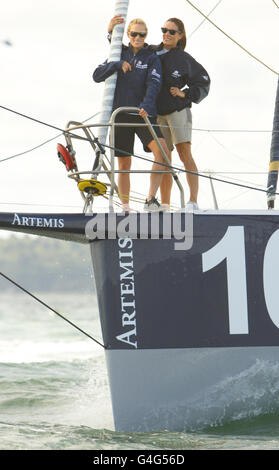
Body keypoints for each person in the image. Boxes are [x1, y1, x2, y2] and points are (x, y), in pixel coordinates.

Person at [109, 16, 210, 210]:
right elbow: (130, 48)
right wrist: (111, 33)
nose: (167, 34)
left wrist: (186, 93)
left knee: (184, 153)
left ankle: (193, 200)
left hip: (178, 110)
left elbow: (204, 80)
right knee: (166, 157)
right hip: (157, 113)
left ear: (180, 36)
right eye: (164, 30)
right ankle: (164, 204)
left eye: (172, 31)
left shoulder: (185, 59)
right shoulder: (152, 51)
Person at [93, 18, 171, 212]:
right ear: (128, 35)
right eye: (134, 34)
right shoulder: (119, 54)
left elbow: (154, 83)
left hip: (144, 114)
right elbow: (96, 75)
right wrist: (117, 65)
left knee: (162, 152)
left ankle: (150, 200)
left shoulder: (151, 58)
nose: (137, 37)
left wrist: (146, 104)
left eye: (141, 34)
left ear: (146, 37)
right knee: (124, 163)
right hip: (120, 115)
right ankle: (125, 208)